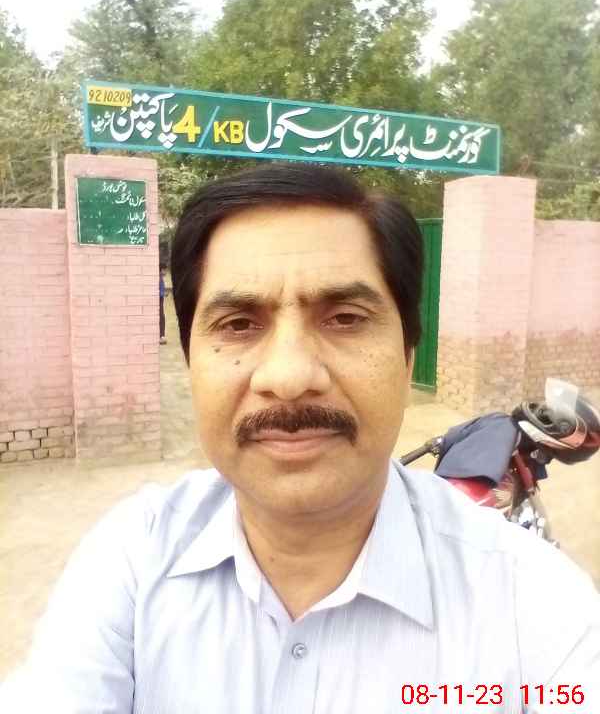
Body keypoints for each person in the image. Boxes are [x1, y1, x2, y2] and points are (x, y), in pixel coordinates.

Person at [1, 163, 599, 713]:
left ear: (406, 353)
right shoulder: (132, 561)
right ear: (190, 362)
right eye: (239, 324)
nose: (288, 377)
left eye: (345, 319)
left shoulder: (536, 606)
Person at [159, 262, 168, 344]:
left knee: (162, 317)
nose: (165, 272)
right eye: (165, 270)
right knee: (161, 317)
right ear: (161, 270)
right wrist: (163, 294)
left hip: (161, 299)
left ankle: (161, 336)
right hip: (158, 300)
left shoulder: (161, 278)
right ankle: (161, 336)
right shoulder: (158, 278)